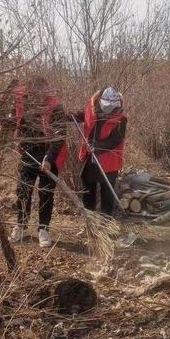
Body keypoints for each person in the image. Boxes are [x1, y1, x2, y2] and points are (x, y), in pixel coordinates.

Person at [9, 77, 68, 248]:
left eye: (39, 95)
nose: (36, 98)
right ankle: (20, 225)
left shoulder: (56, 106)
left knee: (46, 193)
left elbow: (59, 135)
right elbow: (12, 122)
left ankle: (43, 229)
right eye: (32, 95)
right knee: (22, 191)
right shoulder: (21, 101)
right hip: (28, 152)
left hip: (50, 153)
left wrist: (49, 159)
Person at [76, 87, 127, 216]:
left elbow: (116, 140)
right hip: (89, 158)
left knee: (107, 193)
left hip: (109, 161)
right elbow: (85, 116)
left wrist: (98, 146)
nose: (109, 109)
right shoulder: (92, 108)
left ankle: (105, 223)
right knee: (88, 190)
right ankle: (90, 220)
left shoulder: (121, 118)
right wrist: (73, 116)